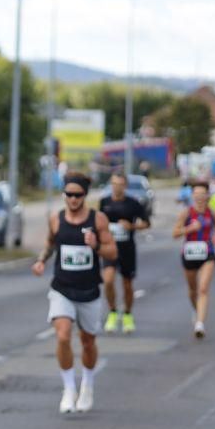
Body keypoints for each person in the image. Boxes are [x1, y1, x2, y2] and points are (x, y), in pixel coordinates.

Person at [32, 172, 117, 414]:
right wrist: (41, 260)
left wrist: (96, 245)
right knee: (62, 336)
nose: (73, 199)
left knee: (88, 342)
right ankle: (69, 388)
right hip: (62, 288)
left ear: (85, 195)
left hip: (89, 290)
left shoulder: (97, 219)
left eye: (77, 195)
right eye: (68, 194)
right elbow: (50, 243)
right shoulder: (56, 219)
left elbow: (112, 253)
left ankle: (87, 385)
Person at [99, 172, 150, 334]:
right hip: (109, 249)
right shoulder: (104, 202)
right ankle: (113, 312)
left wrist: (132, 226)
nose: (117, 188)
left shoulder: (133, 203)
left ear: (125, 186)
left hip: (127, 249)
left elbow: (146, 223)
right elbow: (98, 222)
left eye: (120, 185)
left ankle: (127, 314)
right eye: (114, 184)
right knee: (108, 280)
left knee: (127, 284)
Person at [173, 180, 215, 338]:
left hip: (207, 253)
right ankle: (196, 309)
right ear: (192, 196)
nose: (199, 197)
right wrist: (189, 228)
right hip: (190, 254)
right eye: (196, 194)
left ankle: (200, 324)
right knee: (193, 290)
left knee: (203, 289)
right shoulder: (186, 213)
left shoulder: (212, 213)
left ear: (207, 196)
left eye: (202, 194)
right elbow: (175, 233)